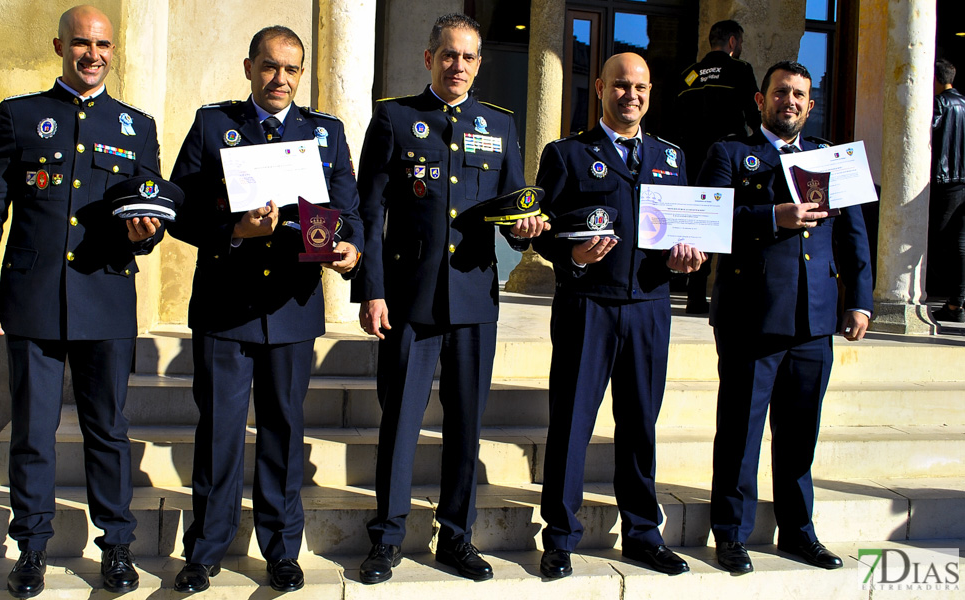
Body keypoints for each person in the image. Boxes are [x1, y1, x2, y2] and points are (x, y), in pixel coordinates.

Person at [0, 5, 162, 597]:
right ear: (59, 46)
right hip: (33, 299)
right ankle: (31, 547)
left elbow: (146, 214)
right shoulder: (21, 117)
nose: (92, 54)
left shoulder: (136, 126)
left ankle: (117, 546)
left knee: (108, 430)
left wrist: (147, 233)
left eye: (102, 44)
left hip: (104, 298)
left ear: (113, 50)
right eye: (81, 43)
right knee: (32, 431)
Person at [352, 13, 548, 584]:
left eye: (468, 57)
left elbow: (514, 211)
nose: (457, 65)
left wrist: (527, 230)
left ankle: (456, 538)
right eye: (448, 55)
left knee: (466, 425)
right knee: (401, 423)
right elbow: (370, 212)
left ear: (479, 64)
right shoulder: (394, 118)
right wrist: (372, 292)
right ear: (429, 58)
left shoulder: (500, 125)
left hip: (472, 301)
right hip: (408, 300)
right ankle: (386, 538)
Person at [166, 25, 362, 595]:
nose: (281, 79)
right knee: (220, 434)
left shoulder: (324, 133)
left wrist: (349, 247)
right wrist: (233, 230)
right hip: (227, 309)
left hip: (292, 308)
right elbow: (179, 207)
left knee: (282, 432)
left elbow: (346, 210)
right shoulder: (214, 125)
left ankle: (281, 549)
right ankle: (205, 550)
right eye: (271, 67)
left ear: (301, 75)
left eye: (292, 70)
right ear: (249, 67)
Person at [532, 52, 705, 579]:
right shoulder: (566, 154)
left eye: (641, 88)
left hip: (650, 307)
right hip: (589, 305)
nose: (631, 96)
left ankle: (642, 533)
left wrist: (689, 260)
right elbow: (545, 228)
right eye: (621, 86)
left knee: (639, 426)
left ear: (651, 93)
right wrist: (570, 257)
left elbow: (686, 228)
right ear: (601, 90)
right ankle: (560, 536)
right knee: (571, 423)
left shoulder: (671, 157)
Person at [696, 60, 873, 574]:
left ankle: (799, 531)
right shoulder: (730, 153)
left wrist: (859, 299)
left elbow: (853, 236)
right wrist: (773, 215)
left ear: (809, 104)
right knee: (741, 433)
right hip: (751, 318)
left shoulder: (828, 157)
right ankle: (730, 534)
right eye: (780, 93)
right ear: (760, 100)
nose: (789, 102)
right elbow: (710, 222)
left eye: (798, 95)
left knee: (800, 435)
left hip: (814, 321)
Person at [675, 19, 760, 314]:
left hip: (692, 159)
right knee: (732, 222)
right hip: (729, 159)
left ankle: (694, 297)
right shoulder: (740, 70)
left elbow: (675, 118)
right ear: (733, 42)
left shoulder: (689, 75)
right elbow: (754, 115)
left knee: (698, 224)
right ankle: (730, 293)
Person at [930, 57, 965, 322]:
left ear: (936, 79)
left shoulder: (939, 103)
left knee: (943, 242)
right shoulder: (964, 103)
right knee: (959, 243)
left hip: (946, 182)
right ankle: (956, 303)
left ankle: (954, 301)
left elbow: (924, 134)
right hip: (962, 181)